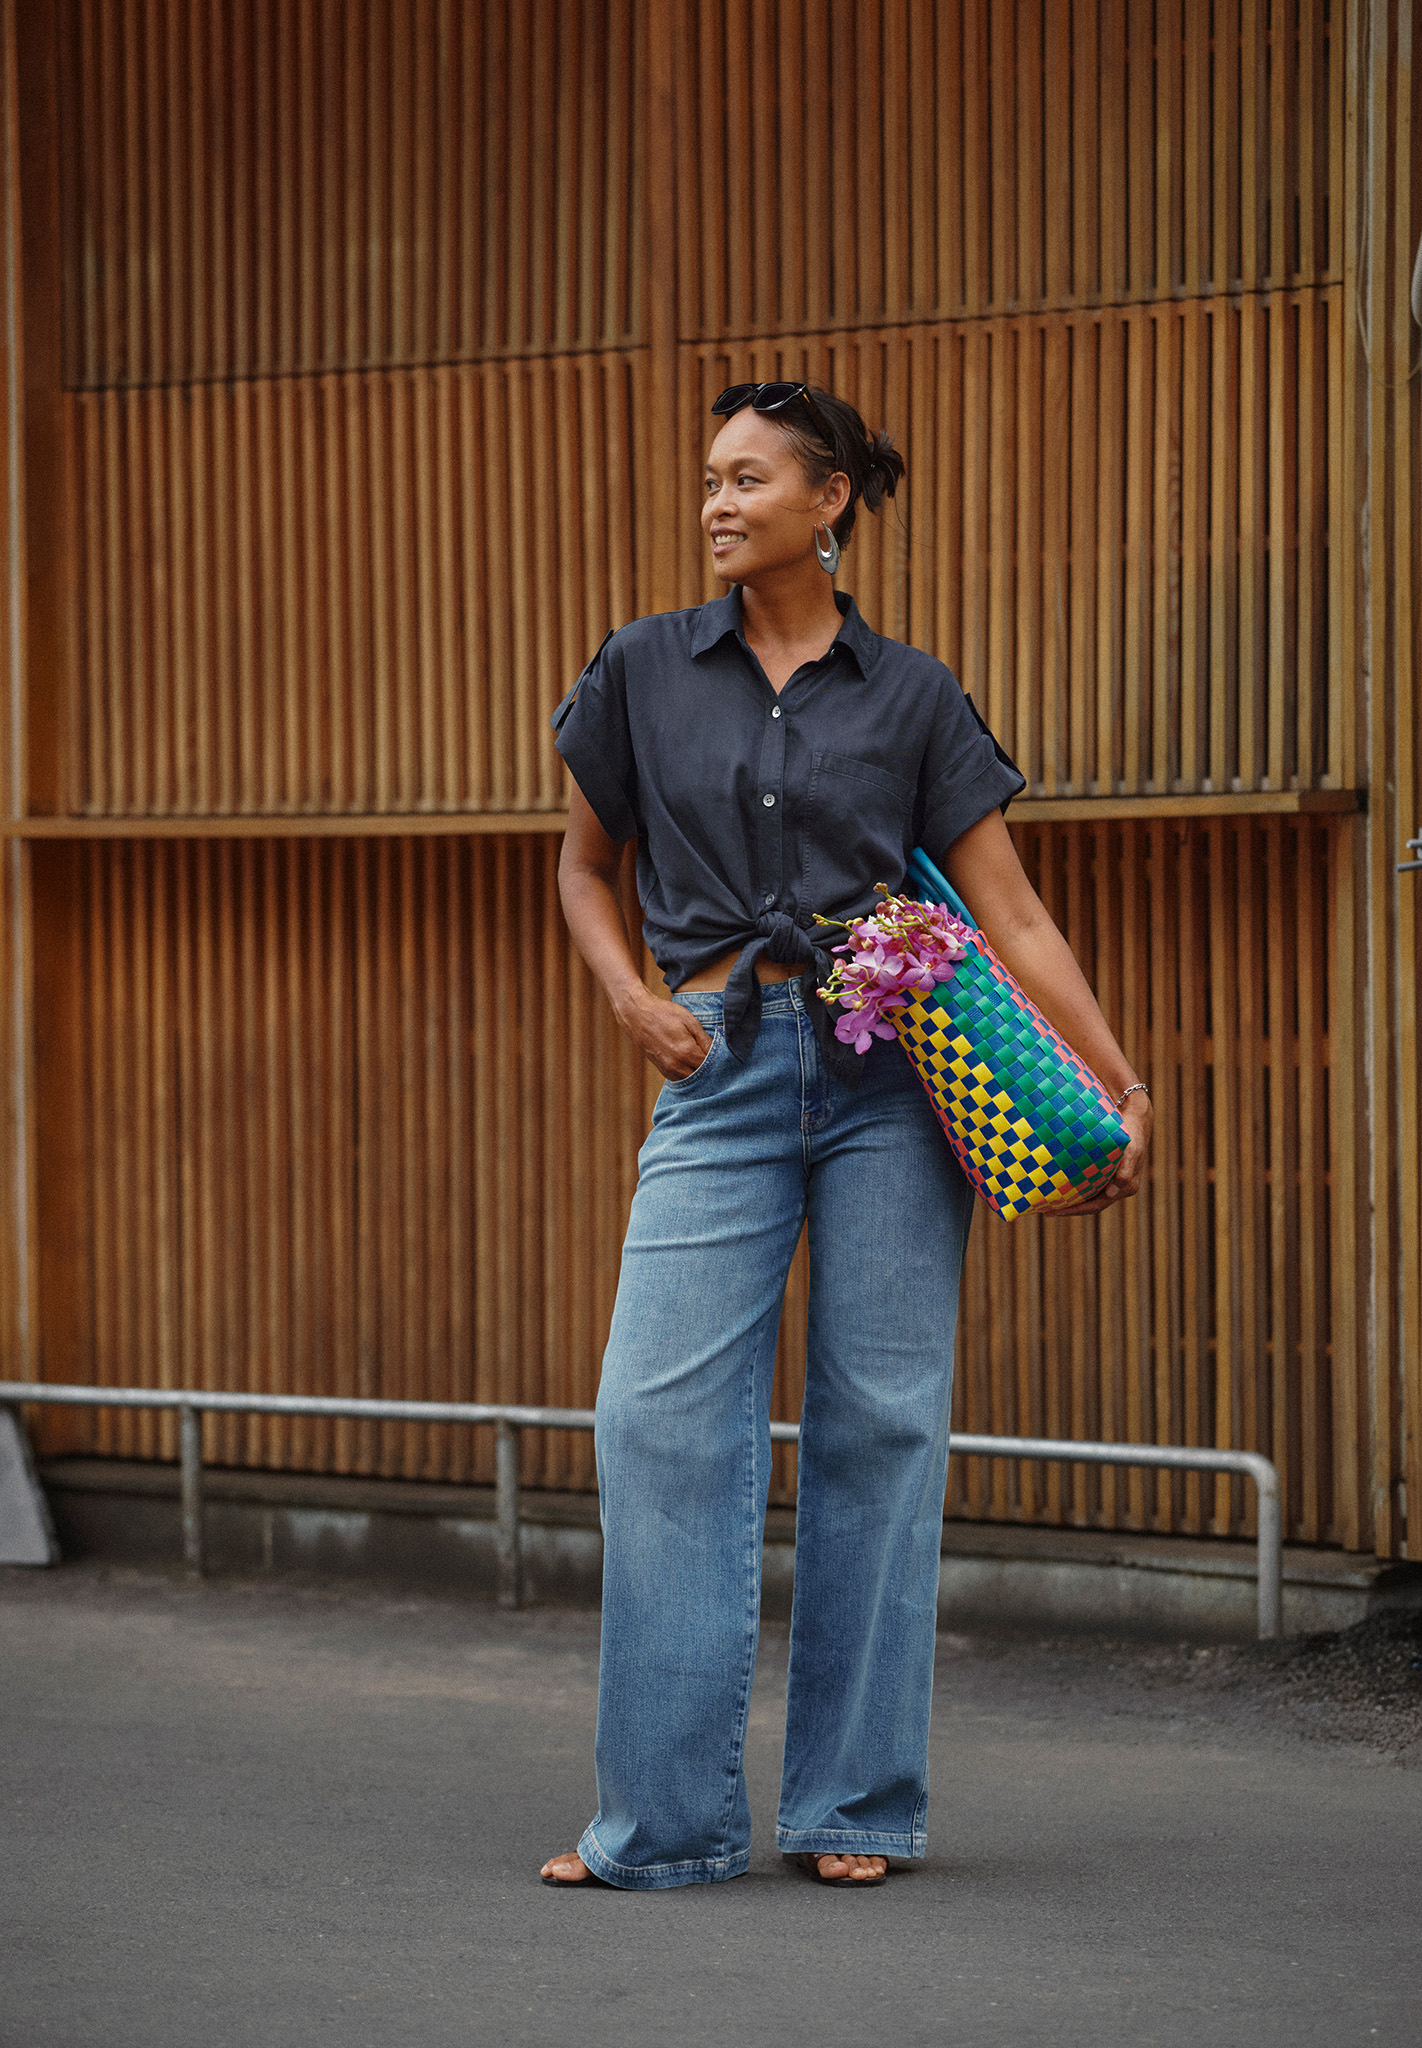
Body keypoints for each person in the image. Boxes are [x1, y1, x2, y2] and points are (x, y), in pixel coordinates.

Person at [540, 382, 1152, 1891]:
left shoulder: (914, 695)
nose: (716, 502)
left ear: (830, 504)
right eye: (707, 480)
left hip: (896, 1089)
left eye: (749, 479)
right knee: (655, 1421)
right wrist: (630, 1000)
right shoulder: (637, 672)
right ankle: (660, 1824)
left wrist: (1115, 1082)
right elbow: (580, 868)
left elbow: (1006, 912)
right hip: (717, 1069)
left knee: (879, 1428)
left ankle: (852, 1810)